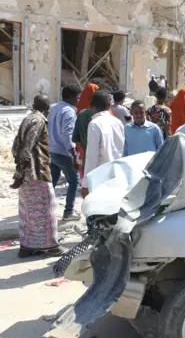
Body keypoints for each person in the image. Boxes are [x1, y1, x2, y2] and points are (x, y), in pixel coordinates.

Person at [12, 95, 66, 257]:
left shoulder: (28, 119)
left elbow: (15, 146)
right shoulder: (38, 121)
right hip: (37, 173)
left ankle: (27, 247)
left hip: (28, 175)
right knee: (46, 209)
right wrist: (22, 171)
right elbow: (26, 148)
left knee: (28, 212)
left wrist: (20, 170)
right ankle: (50, 246)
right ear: (47, 107)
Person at [48, 84, 82, 221]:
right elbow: (67, 135)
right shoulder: (69, 111)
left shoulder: (55, 107)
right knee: (74, 181)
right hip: (63, 151)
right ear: (75, 97)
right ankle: (68, 212)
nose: (79, 100)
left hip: (53, 150)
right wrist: (74, 155)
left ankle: (44, 209)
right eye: (79, 97)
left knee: (52, 182)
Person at [82, 90, 125, 193]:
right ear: (109, 105)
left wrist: (85, 184)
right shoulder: (117, 122)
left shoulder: (94, 124)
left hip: (99, 176)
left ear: (92, 106)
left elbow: (92, 156)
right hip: (116, 173)